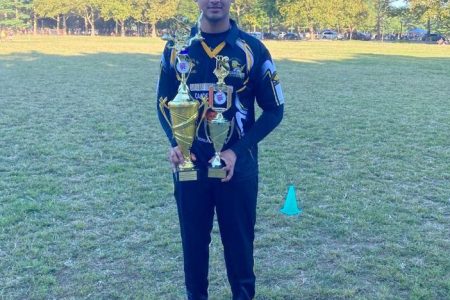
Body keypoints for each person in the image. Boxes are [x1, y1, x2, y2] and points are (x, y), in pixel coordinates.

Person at [156, 0, 284, 299]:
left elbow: (275, 110)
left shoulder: (253, 50)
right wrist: (176, 143)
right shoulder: (177, 49)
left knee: (240, 248)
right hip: (191, 168)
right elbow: (162, 102)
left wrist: (236, 151)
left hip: (237, 170)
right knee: (193, 247)